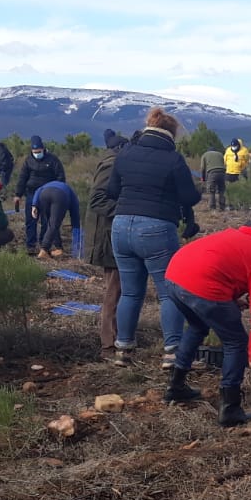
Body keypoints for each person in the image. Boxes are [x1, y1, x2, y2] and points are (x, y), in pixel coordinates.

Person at [164, 223, 251, 427]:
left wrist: (229, 297)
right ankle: (230, 408)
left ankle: (175, 387)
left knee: (197, 326)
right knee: (236, 342)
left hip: (174, 275)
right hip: (202, 283)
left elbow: (223, 263)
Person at [106, 107, 202, 368]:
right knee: (168, 293)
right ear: (171, 134)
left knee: (130, 292)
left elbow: (112, 190)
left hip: (121, 225)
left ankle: (122, 350)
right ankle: (173, 352)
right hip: (157, 228)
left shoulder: (125, 153)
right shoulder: (173, 159)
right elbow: (189, 197)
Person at [86, 130, 131, 358]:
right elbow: (97, 200)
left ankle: (116, 337)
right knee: (114, 290)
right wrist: (126, 211)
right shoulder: (112, 165)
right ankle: (109, 345)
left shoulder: (114, 163)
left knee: (117, 289)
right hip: (108, 236)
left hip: (111, 233)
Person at [14, 135, 66, 253]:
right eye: (35, 152)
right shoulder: (28, 161)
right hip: (31, 194)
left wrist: (58, 190)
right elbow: (22, 178)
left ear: (43, 149)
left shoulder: (53, 160)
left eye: (39, 151)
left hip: (47, 194)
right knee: (31, 220)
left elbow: (60, 176)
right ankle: (30, 245)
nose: (37, 154)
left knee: (46, 220)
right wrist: (18, 194)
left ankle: (44, 244)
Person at [30, 180, 81, 259]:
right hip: (60, 196)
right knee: (54, 224)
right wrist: (76, 234)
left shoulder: (48, 184)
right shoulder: (73, 196)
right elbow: (75, 217)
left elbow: (38, 190)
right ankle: (44, 250)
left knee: (51, 223)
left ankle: (58, 248)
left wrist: (34, 204)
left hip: (44, 194)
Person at [200, 146, 228, 210]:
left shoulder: (205, 155)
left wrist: (203, 178)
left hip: (212, 172)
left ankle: (212, 208)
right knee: (221, 190)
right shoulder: (220, 154)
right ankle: (222, 206)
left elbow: (202, 168)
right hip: (222, 173)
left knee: (212, 191)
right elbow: (223, 164)